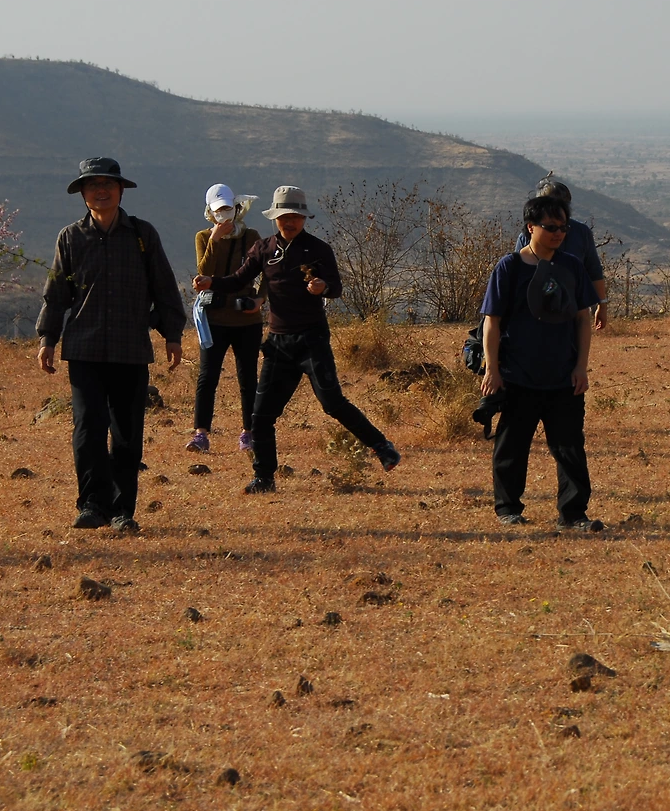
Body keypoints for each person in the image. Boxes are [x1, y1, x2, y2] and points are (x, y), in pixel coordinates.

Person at [194, 186, 399, 494]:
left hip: (311, 339)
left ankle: (382, 446)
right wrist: (213, 283)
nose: (289, 222)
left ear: (303, 218)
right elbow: (239, 279)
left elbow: (336, 288)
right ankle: (264, 477)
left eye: (295, 217)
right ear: (275, 217)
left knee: (332, 404)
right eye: (283, 217)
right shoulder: (264, 248)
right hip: (278, 343)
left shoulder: (318, 249)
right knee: (261, 416)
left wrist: (322, 288)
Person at [36, 158, 186, 534]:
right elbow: (56, 294)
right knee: (87, 428)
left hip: (130, 347)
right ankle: (91, 506)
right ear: (83, 194)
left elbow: (164, 286)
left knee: (126, 432)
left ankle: (122, 511)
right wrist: (47, 339)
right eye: (92, 185)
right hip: (83, 348)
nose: (100, 191)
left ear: (121, 190)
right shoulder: (70, 237)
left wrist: (172, 334)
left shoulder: (141, 235)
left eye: (108, 184)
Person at [481, 194, 601, 529]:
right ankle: (507, 508)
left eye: (562, 227)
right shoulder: (510, 267)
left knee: (570, 448)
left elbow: (582, 318)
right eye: (550, 227)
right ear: (530, 227)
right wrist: (492, 370)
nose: (558, 233)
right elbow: (492, 321)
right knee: (512, 446)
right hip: (518, 375)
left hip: (564, 375)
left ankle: (573, 513)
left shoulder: (573, 266)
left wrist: (581, 366)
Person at [188, 184, 263, 454]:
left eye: (228, 209)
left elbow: (266, 270)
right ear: (210, 212)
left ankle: (248, 432)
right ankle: (200, 434)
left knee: (248, 378)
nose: (224, 215)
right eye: (219, 210)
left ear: (236, 208)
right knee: (207, 377)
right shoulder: (203, 237)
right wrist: (215, 240)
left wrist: (260, 299)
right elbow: (204, 272)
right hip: (215, 319)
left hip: (246, 319)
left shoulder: (251, 236)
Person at [515, 174, 609, 330]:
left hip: (571, 310)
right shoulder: (528, 236)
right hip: (535, 309)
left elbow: (594, 270)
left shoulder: (581, 233)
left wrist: (602, 305)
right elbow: (518, 274)